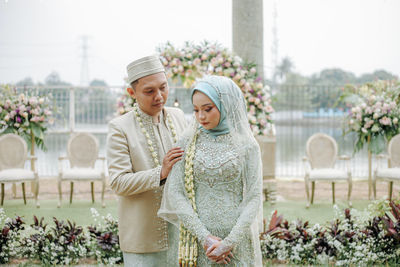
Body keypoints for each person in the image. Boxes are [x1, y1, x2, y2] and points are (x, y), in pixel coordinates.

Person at [158, 75, 263, 266]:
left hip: (236, 242)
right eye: (196, 110)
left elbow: (254, 197)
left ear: (226, 105)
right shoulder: (186, 142)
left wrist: (229, 243)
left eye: (208, 109)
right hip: (196, 241)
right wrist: (205, 237)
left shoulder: (248, 145)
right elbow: (175, 192)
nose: (201, 117)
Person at [107, 54, 187, 266]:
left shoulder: (178, 116)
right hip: (142, 236)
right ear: (132, 93)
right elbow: (118, 182)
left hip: (180, 232)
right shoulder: (120, 128)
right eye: (149, 91)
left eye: (163, 87)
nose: (159, 96)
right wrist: (161, 173)